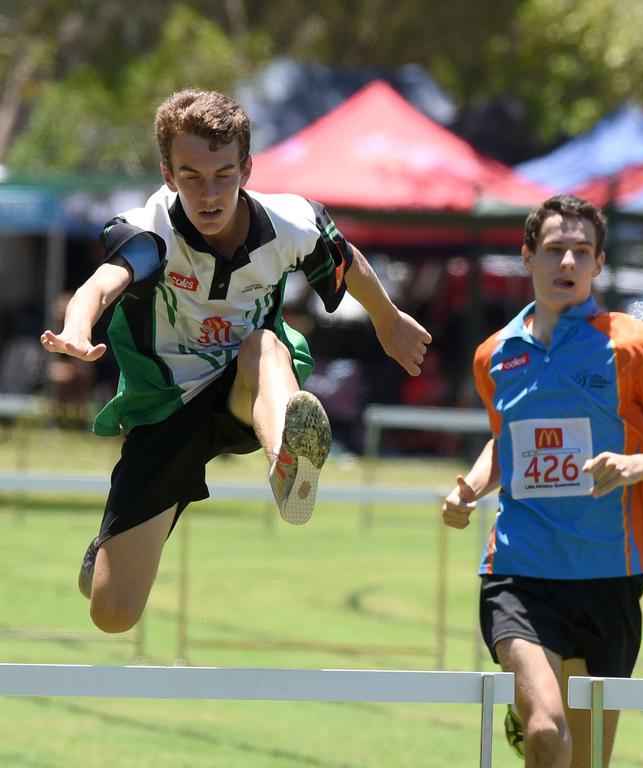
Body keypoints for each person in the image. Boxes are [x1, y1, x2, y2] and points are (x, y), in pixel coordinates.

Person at [40, 89, 431, 634]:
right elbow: (101, 285)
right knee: (113, 614)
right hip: (167, 407)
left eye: (223, 174)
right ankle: (102, 552)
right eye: (192, 176)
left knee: (266, 344)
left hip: (248, 387)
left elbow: (347, 260)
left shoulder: (288, 222)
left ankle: (286, 461)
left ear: (247, 169)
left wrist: (387, 320)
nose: (209, 193)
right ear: (169, 175)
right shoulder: (152, 230)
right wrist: (77, 331)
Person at [441, 195, 643, 768]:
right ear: (527, 257)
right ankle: (532, 714)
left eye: (580, 252)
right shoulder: (493, 355)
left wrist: (635, 466)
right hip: (520, 570)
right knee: (546, 731)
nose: (566, 263)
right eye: (553, 250)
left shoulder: (638, 346)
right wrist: (470, 487)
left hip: (609, 576)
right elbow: (509, 443)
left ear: (598, 264)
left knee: (586, 760)